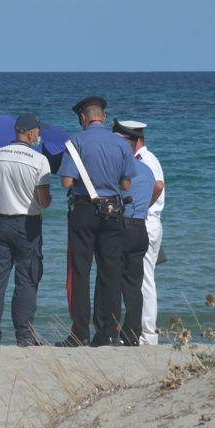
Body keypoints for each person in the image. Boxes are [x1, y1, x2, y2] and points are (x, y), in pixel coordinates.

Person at [59, 97, 137, 346]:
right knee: (110, 273)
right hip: (113, 210)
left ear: (83, 118)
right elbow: (126, 183)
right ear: (103, 117)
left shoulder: (75, 143)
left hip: (84, 210)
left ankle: (79, 333)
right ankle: (107, 332)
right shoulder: (121, 144)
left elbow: (66, 182)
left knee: (79, 273)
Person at [0, 113, 52, 346]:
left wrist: (4, 196)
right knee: (27, 280)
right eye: (38, 131)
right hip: (27, 225)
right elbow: (43, 200)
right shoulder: (39, 160)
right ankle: (24, 335)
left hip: (0, 222)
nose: (39, 134)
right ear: (30, 133)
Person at [92, 121, 154, 346]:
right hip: (140, 226)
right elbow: (158, 187)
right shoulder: (147, 170)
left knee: (109, 281)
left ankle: (106, 331)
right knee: (133, 285)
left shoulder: (118, 167)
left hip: (120, 226)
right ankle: (132, 333)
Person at [120, 120, 166, 345]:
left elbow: (158, 186)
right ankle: (137, 330)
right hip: (144, 222)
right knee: (137, 279)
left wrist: (142, 207)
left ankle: (148, 334)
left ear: (134, 140)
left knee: (145, 280)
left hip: (146, 220)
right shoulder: (141, 159)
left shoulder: (145, 159)